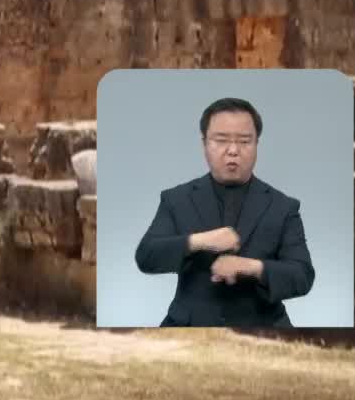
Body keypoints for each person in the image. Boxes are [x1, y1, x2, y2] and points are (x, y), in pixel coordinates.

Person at [133, 96, 314, 327]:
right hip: (189, 327)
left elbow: (302, 275)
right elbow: (146, 256)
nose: (232, 151)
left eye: (244, 141)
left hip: (262, 328)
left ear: (257, 144)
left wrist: (250, 267)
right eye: (221, 140)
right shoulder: (176, 199)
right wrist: (200, 241)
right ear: (204, 144)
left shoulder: (283, 207)